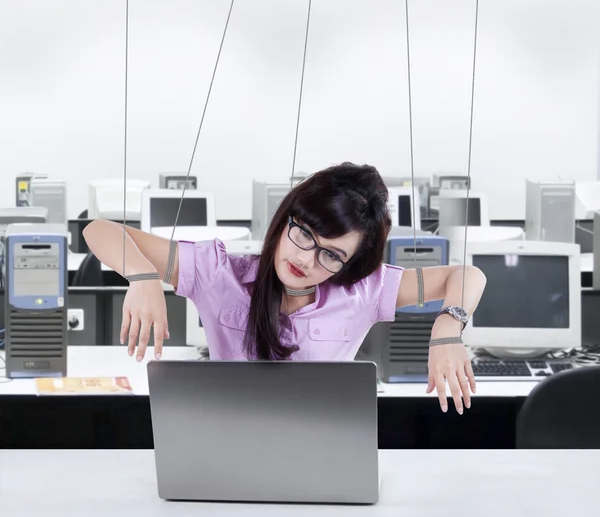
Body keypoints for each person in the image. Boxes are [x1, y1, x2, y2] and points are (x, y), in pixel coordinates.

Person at [83, 162, 486, 414]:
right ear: (286, 218)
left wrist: (448, 328)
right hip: (226, 450)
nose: (307, 259)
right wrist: (142, 277)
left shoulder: (364, 291)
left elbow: (467, 274)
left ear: (351, 264)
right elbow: (99, 230)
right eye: (304, 234)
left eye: (332, 255)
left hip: (323, 454)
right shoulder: (218, 273)